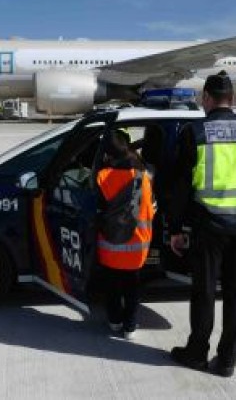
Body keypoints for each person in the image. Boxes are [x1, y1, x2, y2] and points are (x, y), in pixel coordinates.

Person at [168, 70, 236, 377]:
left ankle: (197, 353)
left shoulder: (195, 132)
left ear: (206, 99)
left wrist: (175, 228)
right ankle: (227, 361)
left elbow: (180, 187)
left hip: (209, 224)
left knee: (205, 291)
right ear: (233, 99)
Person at [96, 129, 155, 340]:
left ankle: (114, 320)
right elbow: (150, 209)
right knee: (132, 287)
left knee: (112, 285)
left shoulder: (101, 176)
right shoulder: (143, 177)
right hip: (137, 244)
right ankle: (130, 326)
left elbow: (98, 210)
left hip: (110, 244)